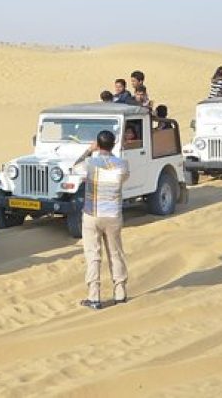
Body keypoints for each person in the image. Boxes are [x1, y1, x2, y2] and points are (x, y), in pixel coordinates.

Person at [73, 130, 130, 310]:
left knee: (93, 255)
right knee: (116, 253)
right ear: (113, 145)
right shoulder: (122, 164)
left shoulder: (90, 163)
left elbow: (75, 167)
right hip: (113, 215)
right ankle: (120, 292)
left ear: (98, 144)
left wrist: (89, 150)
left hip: (92, 214)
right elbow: (124, 178)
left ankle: (94, 296)